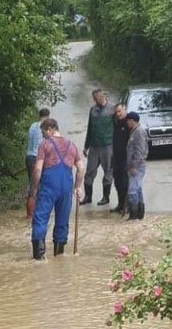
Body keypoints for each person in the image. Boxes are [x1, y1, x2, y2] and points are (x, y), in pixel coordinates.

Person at [29, 118, 85, 259]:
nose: (43, 136)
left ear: (49, 129)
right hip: (66, 187)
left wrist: (34, 189)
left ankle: (39, 258)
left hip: (49, 186)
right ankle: (59, 257)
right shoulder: (72, 145)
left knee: (40, 218)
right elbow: (81, 168)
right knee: (62, 221)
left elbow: (37, 169)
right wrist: (77, 187)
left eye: (43, 132)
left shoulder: (45, 145)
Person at [80, 89, 115, 206]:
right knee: (89, 171)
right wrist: (86, 146)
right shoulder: (93, 110)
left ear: (103, 96)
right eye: (94, 99)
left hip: (108, 145)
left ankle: (106, 197)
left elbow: (116, 128)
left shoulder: (112, 109)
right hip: (94, 146)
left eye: (98, 98)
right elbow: (90, 129)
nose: (96, 100)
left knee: (108, 171)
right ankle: (88, 196)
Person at [125, 111, 148, 220]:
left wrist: (134, 166)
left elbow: (140, 150)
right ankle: (139, 215)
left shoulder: (139, 132)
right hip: (135, 165)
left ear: (132, 121)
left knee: (132, 190)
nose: (126, 123)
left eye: (128, 121)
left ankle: (133, 215)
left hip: (137, 166)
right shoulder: (134, 131)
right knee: (138, 189)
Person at [110, 103, 130, 214]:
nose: (118, 114)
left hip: (126, 158)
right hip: (116, 157)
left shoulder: (128, 123)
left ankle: (126, 206)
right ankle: (120, 204)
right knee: (117, 182)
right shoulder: (116, 123)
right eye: (116, 112)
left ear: (125, 110)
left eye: (120, 111)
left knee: (125, 182)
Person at [26, 108, 50, 190]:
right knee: (40, 186)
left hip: (29, 157)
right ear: (47, 117)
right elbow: (43, 146)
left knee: (32, 186)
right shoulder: (44, 128)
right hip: (38, 159)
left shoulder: (32, 126)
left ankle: (31, 201)